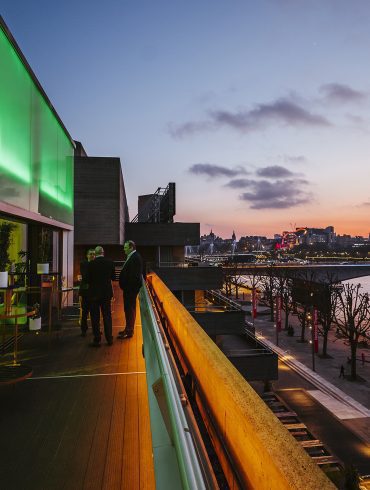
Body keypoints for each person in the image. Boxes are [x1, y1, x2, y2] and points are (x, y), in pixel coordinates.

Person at [87, 245, 115, 347]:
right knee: (107, 315)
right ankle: (109, 338)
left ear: (96, 253)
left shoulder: (91, 264)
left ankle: (97, 339)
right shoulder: (110, 263)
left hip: (94, 294)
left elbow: (87, 280)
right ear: (103, 252)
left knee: (95, 317)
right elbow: (113, 277)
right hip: (106, 294)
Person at [117, 240, 143, 339]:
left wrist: (127, 288)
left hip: (130, 290)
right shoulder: (134, 256)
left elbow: (135, 276)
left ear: (131, 247)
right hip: (130, 290)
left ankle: (129, 331)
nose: (124, 249)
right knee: (129, 310)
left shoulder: (135, 257)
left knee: (129, 310)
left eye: (125, 247)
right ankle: (128, 329)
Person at [78, 248, 95, 337]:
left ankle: (95, 330)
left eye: (93, 254)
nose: (92, 255)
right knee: (85, 312)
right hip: (85, 292)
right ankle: (83, 330)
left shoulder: (96, 264)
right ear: (87, 255)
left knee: (94, 313)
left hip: (94, 292)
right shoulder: (83, 264)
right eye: (91, 254)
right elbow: (85, 277)